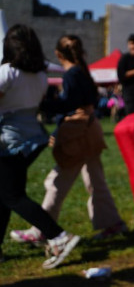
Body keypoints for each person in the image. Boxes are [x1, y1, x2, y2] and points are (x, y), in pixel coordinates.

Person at [12, 35, 128, 246]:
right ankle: (113, 224)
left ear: (58, 54)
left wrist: (43, 104)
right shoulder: (81, 71)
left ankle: (42, 230)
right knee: (95, 181)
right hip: (89, 129)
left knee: (57, 181)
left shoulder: (72, 74)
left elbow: (68, 104)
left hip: (80, 132)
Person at [0, 25, 80, 269]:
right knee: (4, 196)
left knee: (11, 196)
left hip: (9, 142)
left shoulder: (7, 73)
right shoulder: (39, 76)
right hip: (31, 141)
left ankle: (58, 236)